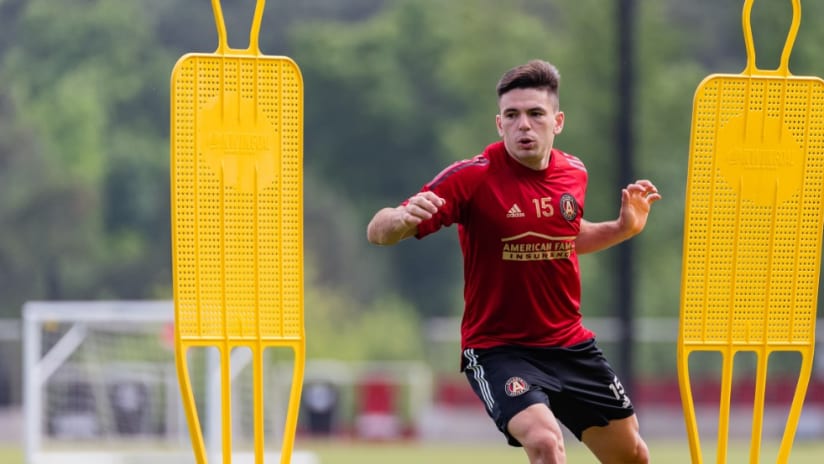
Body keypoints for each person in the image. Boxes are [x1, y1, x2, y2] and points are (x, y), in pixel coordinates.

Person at [366, 59, 660, 464]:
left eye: (535, 114)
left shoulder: (574, 172)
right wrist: (400, 219)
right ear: (499, 123)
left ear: (557, 122)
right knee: (545, 442)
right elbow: (378, 230)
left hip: (569, 344)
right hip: (498, 350)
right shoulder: (471, 178)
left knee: (632, 456)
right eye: (513, 115)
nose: (524, 124)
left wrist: (622, 228)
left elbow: (564, 239)